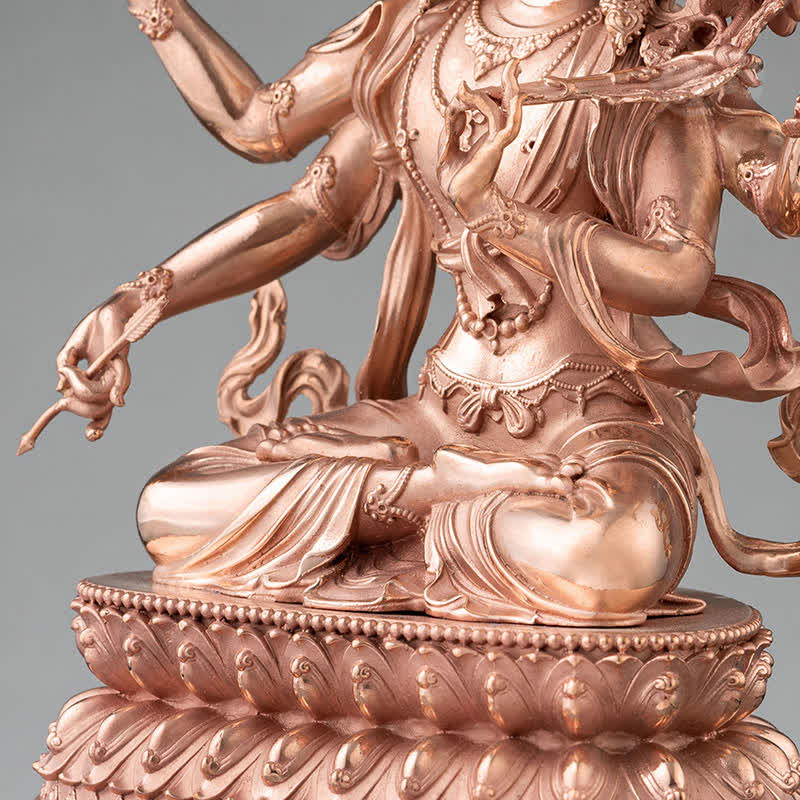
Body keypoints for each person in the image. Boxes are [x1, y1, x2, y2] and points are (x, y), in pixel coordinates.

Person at [48, 0, 800, 625]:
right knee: (174, 506)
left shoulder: (656, 58)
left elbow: (680, 269)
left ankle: (392, 513)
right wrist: (141, 299)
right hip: (439, 417)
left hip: (595, 421)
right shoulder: (418, 33)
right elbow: (287, 169)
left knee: (612, 555)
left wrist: (500, 215)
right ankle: (438, 493)